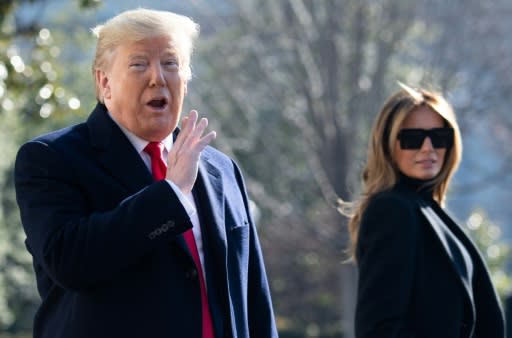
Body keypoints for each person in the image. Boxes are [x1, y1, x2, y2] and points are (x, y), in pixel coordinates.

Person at [14, 8, 277, 338]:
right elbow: (70, 263)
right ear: (104, 82)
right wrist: (170, 195)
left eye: (171, 64)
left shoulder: (220, 170)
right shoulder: (51, 159)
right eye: (139, 64)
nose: (158, 78)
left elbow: (254, 299)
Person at [342, 83, 505, 337]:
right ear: (387, 144)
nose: (428, 147)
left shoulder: (427, 209)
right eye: (413, 139)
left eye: (439, 137)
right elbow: (379, 329)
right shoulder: (392, 210)